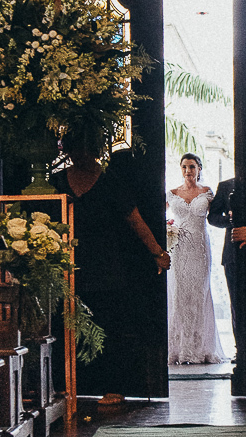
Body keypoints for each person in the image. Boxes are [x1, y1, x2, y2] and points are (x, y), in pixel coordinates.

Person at [52, 127, 170, 397]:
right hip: (66, 266)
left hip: (106, 267)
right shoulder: (56, 181)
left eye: (86, 149)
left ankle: (113, 388)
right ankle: (66, 386)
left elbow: (135, 220)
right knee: (64, 327)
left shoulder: (111, 181)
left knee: (109, 329)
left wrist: (157, 253)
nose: (81, 155)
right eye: (76, 149)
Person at [166, 153, 225, 365]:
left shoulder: (207, 193)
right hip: (179, 249)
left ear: (199, 168)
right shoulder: (172, 193)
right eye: (184, 167)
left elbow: (217, 216)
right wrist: (168, 229)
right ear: (180, 169)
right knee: (179, 295)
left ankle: (201, 349)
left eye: (191, 166)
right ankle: (179, 349)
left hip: (200, 249)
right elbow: (157, 217)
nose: (188, 171)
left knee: (199, 294)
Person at [206, 176, 237, 337]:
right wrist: (230, 220)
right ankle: (240, 347)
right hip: (232, 252)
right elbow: (212, 217)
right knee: (236, 302)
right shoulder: (225, 186)